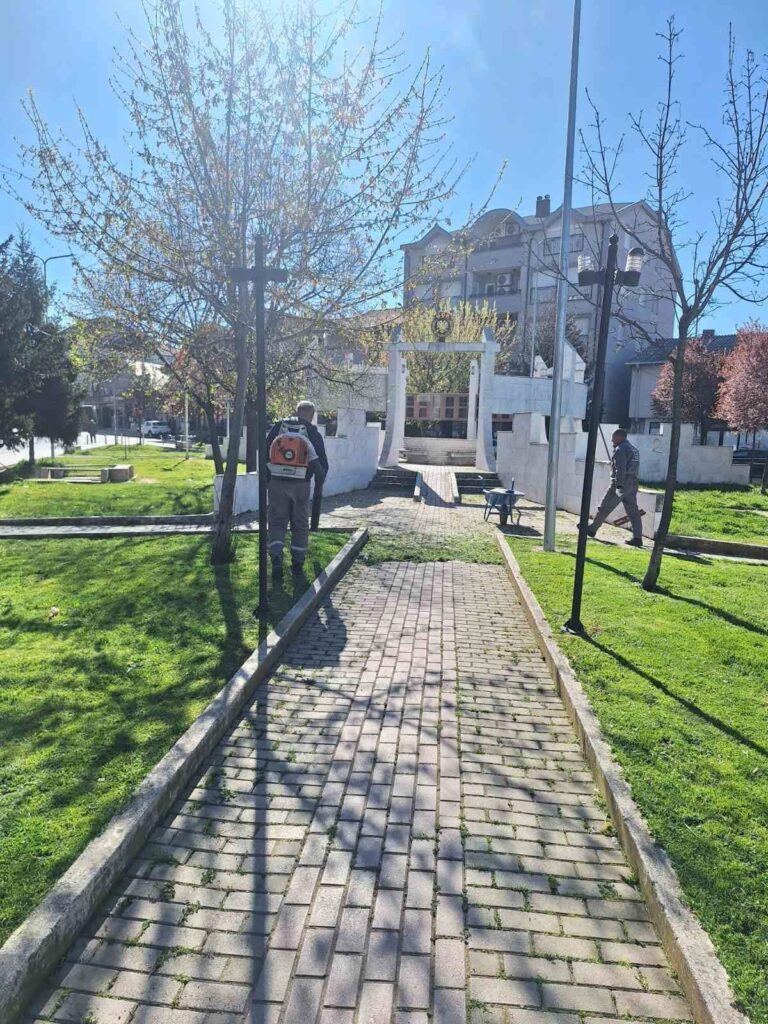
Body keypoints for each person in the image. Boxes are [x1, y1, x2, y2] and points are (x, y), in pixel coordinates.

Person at [266, 400, 328, 576]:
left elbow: (265, 453)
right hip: (301, 485)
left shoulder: (279, 428)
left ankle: (276, 556)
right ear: (312, 415)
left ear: (296, 411)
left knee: (277, 522)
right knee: (300, 524)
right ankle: (298, 564)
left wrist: (269, 479)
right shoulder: (312, 433)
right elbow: (323, 464)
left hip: (277, 483)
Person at [588, 429, 643, 547]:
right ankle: (638, 538)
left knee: (605, 507)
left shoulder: (620, 449)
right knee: (633, 512)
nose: (612, 440)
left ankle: (592, 529)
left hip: (621, 483)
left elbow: (621, 470)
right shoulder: (634, 450)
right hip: (632, 483)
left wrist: (618, 485)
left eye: (614, 437)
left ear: (620, 437)